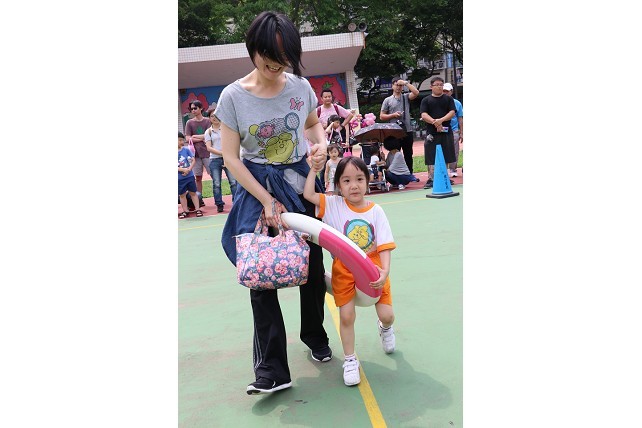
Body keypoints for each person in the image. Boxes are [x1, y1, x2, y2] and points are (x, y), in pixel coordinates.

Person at [215, 11, 332, 396]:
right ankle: (272, 369)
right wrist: (266, 200)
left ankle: (315, 335)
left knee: (312, 266)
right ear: (253, 49)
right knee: (260, 273)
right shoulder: (233, 96)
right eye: (269, 58)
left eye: (284, 59)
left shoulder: (300, 87)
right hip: (256, 188)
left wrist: (320, 146)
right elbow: (231, 158)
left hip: (299, 184)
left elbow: (312, 124)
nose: (276, 66)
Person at [303, 156, 397, 387]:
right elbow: (308, 194)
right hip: (344, 268)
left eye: (359, 179)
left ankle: (385, 328)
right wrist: (314, 169)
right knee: (347, 316)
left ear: (367, 181)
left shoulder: (376, 211)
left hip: (373, 268)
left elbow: (384, 245)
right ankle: (350, 360)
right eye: (346, 181)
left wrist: (384, 272)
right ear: (338, 185)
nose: (354, 185)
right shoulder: (333, 205)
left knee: (387, 314)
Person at [419, 76, 456, 189]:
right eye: (437, 85)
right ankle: (431, 178)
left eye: (441, 85)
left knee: (446, 154)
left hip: (446, 131)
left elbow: (452, 112)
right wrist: (435, 122)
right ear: (431, 86)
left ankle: (444, 177)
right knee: (431, 155)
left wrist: (441, 120)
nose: (439, 87)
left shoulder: (448, 99)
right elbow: (423, 115)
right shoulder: (426, 100)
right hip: (432, 132)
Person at [380, 78, 420, 173]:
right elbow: (382, 116)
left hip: (407, 130)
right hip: (394, 131)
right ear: (392, 86)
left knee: (408, 154)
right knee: (394, 153)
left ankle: (409, 173)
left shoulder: (406, 97)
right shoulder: (387, 100)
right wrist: (393, 115)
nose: (398, 87)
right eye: (396, 85)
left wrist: (405, 83)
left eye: (400, 85)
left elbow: (416, 92)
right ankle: (396, 173)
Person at [204, 107, 238, 213]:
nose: (215, 118)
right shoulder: (208, 132)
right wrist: (222, 153)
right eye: (212, 116)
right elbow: (209, 148)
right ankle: (219, 204)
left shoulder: (226, 129)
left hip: (228, 158)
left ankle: (236, 202)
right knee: (217, 183)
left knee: (233, 182)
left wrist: (228, 154)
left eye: (216, 115)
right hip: (215, 160)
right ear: (209, 118)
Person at [184, 100, 211, 208]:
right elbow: (187, 138)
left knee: (214, 176)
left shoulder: (208, 121)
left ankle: (218, 199)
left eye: (195, 108)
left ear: (201, 108)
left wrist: (195, 136)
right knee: (198, 178)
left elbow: (209, 135)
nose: (193, 110)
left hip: (208, 153)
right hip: (195, 154)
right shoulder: (189, 123)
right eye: (191, 109)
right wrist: (202, 138)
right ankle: (200, 199)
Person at [178, 132, 203, 218]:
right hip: (179, 178)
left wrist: (189, 169)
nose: (181, 142)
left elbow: (193, 160)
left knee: (193, 193)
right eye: (179, 140)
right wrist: (182, 170)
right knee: (182, 195)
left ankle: (197, 209)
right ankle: (185, 210)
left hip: (189, 176)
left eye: (182, 140)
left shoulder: (186, 150)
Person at [442, 83, 463, 177]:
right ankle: (444, 169)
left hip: (454, 130)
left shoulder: (457, 103)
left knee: (454, 150)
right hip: (442, 129)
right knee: (443, 150)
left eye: (447, 91)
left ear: (451, 92)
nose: (445, 93)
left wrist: (462, 132)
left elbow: (460, 118)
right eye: (444, 91)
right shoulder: (439, 102)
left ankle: (453, 169)